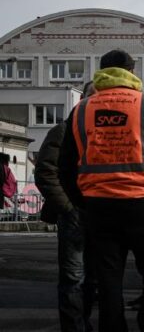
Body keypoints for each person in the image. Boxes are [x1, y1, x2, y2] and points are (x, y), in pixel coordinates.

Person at [58, 49, 144, 332]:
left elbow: (65, 166)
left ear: (101, 72)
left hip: (99, 207)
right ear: (132, 71)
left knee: (108, 280)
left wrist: (83, 200)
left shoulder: (81, 110)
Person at [34, 81, 97, 332]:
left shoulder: (102, 132)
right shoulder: (64, 130)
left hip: (100, 215)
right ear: (82, 98)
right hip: (75, 215)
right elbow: (45, 172)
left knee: (92, 278)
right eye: (93, 96)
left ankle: (84, 324)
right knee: (73, 278)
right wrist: (67, 208)